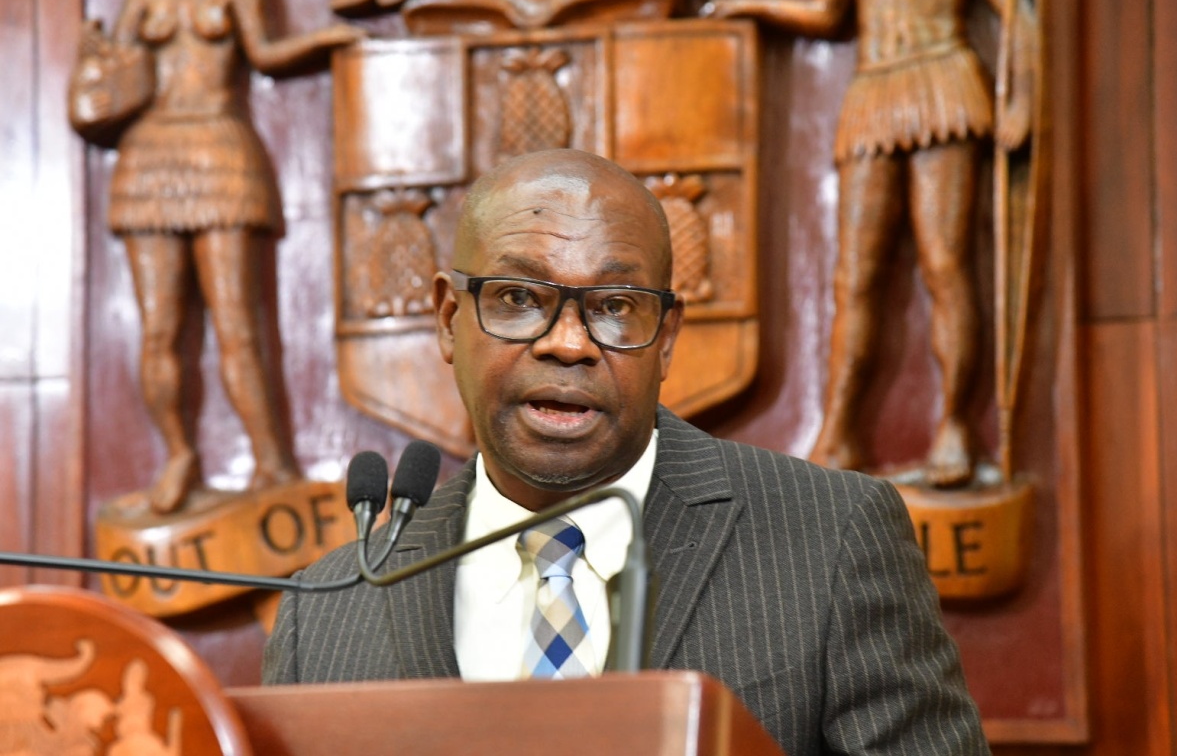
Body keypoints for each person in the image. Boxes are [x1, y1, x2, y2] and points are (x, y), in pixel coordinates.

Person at [263, 149, 989, 755]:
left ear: (666, 337)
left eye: (613, 306)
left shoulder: (829, 539)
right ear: (451, 319)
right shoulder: (325, 615)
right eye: (518, 298)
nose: (568, 342)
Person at [703, 0, 1035, 486]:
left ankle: (953, 426)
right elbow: (830, 14)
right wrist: (753, 6)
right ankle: (839, 431)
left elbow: (1016, 12)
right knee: (855, 277)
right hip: (874, 94)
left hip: (942, 82)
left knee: (946, 265)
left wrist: (1023, 97)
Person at [72, 0, 362, 513]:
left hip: (220, 147)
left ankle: (270, 460)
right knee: (160, 330)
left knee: (238, 324)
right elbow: (118, 75)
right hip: (150, 156)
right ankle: (179, 454)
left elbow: (265, 53)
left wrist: (328, 38)